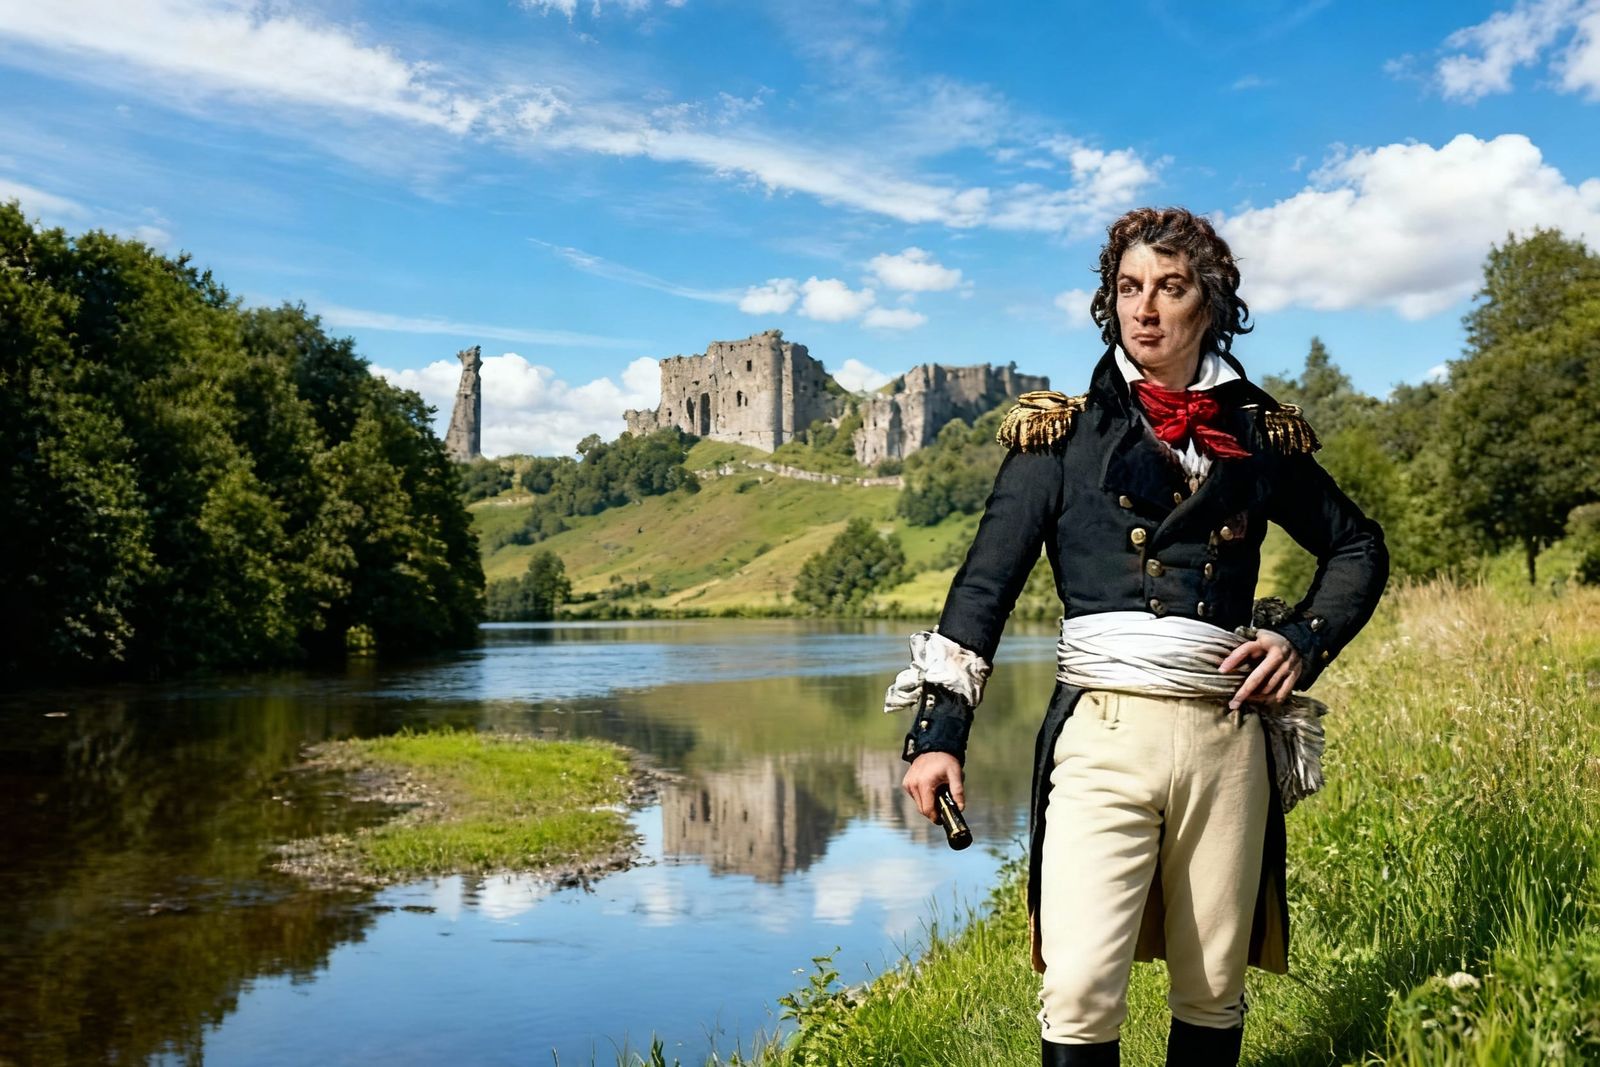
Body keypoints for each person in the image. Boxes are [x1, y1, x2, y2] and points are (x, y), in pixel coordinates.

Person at [892, 207, 1388, 1066]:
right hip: (1101, 733)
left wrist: (1300, 642)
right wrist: (939, 736)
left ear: (1212, 303)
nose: (1145, 308)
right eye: (1128, 288)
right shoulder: (1058, 436)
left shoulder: (1261, 435)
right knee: (1081, 984)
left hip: (1226, 736)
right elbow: (983, 590)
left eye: (1171, 287)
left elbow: (1359, 546)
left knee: (1211, 983)